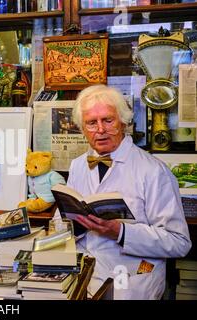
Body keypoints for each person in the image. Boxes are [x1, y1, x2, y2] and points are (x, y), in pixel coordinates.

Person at [56, 84, 191, 300]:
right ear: (82, 129)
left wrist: (120, 232)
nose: (100, 130)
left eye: (107, 120)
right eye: (91, 123)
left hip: (133, 286)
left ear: (123, 122)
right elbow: (62, 223)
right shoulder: (78, 165)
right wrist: (72, 224)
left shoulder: (153, 171)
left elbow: (179, 242)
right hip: (85, 281)